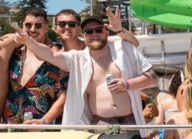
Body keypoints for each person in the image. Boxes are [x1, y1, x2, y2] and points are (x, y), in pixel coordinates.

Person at [13, 14, 157, 129]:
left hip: (131, 122)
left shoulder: (124, 49)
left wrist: (127, 84)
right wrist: (28, 41)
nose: (94, 34)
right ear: (84, 34)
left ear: (106, 31)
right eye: (89, 31)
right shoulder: (77, 59)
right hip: (100, 125)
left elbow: (152, 77)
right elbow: (49, 55)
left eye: (98, 30)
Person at [4, 8, 68, 125]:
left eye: (38, 26)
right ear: (22, 26)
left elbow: (65, 96)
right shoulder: (13, 54)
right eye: (28, 25)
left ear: (45, 28)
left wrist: (44, 121)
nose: (32, 29)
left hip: (40, 129)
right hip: (10, 127)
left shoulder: (56, 58)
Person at [53, 6, 140, 52]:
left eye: (72, 24)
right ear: (55, 29)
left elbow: (134, 43)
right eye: (62, 24)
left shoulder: (94, 45)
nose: (67, 27)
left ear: (79, 28)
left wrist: (119, 30)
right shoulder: (56, 57)